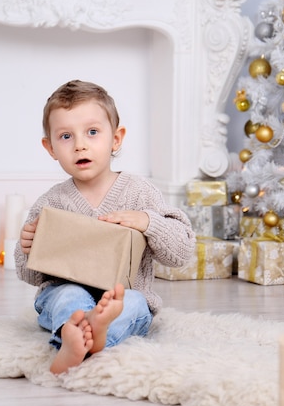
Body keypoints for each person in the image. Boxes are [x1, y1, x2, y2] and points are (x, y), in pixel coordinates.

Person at [15, 79, 196, 375]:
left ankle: (93, 338)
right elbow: (29, 274)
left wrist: (149, 222)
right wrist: (27, 248)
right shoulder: (52, 202)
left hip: (123, 297)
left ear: (116, 139)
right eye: (65, 136)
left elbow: (181, 252)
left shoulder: (140, 193)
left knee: (135, 303)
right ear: (50, 148)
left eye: (93, 132)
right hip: (65, 292)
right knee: (68, 296)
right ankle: (79, 336)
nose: (80, 144)